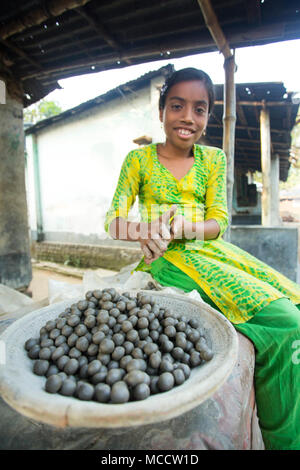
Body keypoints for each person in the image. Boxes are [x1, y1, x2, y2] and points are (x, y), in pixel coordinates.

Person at [104, 67, 300, 450]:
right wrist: (144, 231)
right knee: (287, 324)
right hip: (166, 260)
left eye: (200, 109)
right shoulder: (138, 161)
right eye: (177, 106)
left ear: (208, 116)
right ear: (161, 111)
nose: (188, 118)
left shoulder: (213, 158)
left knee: (293, 298)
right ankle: (285, 442)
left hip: (211, 250)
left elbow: (219, 222)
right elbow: (113, 221)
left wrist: (179, 228)